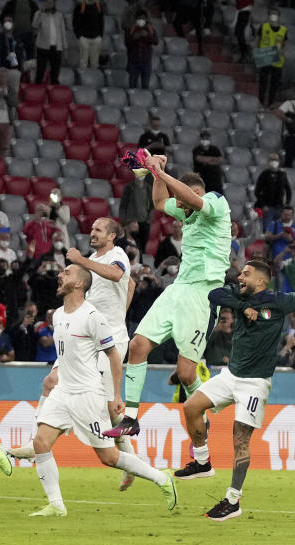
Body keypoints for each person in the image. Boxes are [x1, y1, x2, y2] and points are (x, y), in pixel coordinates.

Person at [27, 264, 177, 517]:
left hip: (88, 394)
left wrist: (116, 395)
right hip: (63, 391)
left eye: (66, 273)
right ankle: (56, 504)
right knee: (41, 442)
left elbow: (114, 356)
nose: (60, 275)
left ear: (78, 284)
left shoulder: (92, 317)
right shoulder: (58, 315)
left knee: (108, 457)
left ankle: (162, 479)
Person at [104, 153, 231, 440]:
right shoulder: (187, 208)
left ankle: (202, 411)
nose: (181, 209)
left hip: (203, 293)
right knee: (137, 345)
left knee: (186, 374)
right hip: (179, 288)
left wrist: (160, 173)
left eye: (185, 201)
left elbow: (192, 199)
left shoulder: (215, 202)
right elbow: (161, 202)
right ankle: (131, 418)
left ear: (196, 192)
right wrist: (155, 171)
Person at [174, 261, 295, 520]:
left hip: (254, 383)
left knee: (240, 440)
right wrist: (242, 306)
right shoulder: (239, 294)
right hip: (230, 376)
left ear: (260, 281)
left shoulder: (279, 300)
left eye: (245, 274)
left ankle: (233, 500)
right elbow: (213, 294)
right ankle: (202, 462)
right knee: (191, 406)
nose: (239, 277)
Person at [64, 217, 138, 491]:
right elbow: (128, 286)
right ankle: (40, 438)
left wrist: (81, 260)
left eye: (98, 230)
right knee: (56, 381)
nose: (92, 233)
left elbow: (119, 275)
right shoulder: (96, 258)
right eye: (91, 228)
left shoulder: (116, 255)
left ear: (112, 236)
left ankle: (131, 460)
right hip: (91, 339)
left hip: (111, 341)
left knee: (110, 406)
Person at [256, 8, 287, 108]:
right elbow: (257, 42)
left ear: (279, 16)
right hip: (264, 57)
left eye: (275, 14)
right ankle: (260, 103)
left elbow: (284, 46)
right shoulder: (263, 27)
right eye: (271, 14)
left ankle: (270, 105)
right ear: (268, 15)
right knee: (263, 83)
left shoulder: (283, 30)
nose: (273, 16)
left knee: (274, 85)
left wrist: (282, 52)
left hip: (277, 60)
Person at [32, 0, 67, 85]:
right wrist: (40, 13)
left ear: (54, 4)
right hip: (42, 47)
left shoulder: (59, 15)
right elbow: (34, 26)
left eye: (51, 2)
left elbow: (62, 32)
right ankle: (37, 91)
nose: (49, 4)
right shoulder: (38, 14)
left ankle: (54, 92)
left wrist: (65, 47)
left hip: (57, 47)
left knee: (55, 72)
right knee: (40, 71)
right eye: (47, 2)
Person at [253, 152, 291, 231]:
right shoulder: (264, 174)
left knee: (278, 230)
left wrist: (287, 203)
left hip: (279, 207)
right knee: (267, 230)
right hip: (268, 207)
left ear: (279, 161)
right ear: (268, 161)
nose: (274, 161)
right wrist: (263, 205)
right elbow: (257, 192)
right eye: (272, 159)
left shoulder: (282, 174)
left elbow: (288, 190)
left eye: (276, 159)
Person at [0, 16, 26, 93]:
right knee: (1, 93)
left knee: (13, 93)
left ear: (13, 24)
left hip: (15, 69)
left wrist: (19, 68)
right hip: (2, 68)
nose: (8, 23)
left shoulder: (17, 38)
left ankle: (12, 104)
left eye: (9, 21)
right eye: (6, 21)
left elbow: (21, 54)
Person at [125, 12, 157, 89]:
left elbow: (156, 41)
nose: (141, 20)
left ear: (146, 19)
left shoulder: (151, 29)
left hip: (146, 62)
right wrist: (134, 38)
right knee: (132, 86)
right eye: (139, 18)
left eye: (143, 18)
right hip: (133, 62)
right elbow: (127, 43)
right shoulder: (130, 29)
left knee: (145, 86)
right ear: (135, 20)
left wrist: (147, 35)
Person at [72, 0, 103, 69]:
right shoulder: (79, 7)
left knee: (95, 63)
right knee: (83, 63)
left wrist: (100, 36)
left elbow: (101, 22)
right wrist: (79, 36)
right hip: (84, 38)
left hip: (96, 38)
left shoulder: (99, 6)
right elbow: (75, 23)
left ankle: (94, 78)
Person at [192, 131, 224, 195]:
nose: (205, 140)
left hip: (214, 180)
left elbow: (220, 160)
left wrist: (207, 160)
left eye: (206, 138)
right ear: (200, 139)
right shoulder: (196, 149)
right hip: (201, 179)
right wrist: (213, 159)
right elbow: (199, 159)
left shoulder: (215, 149)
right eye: (203, 138)